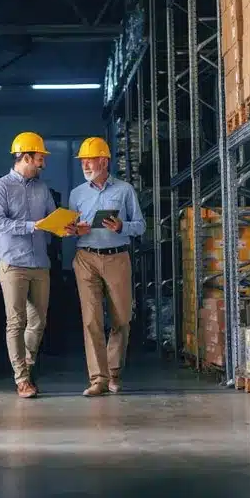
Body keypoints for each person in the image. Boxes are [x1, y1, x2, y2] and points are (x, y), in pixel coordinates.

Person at [65, 136, 146, 396]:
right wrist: (74, 230)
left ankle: (114, 373)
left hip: (117, 257)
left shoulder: (124, 191)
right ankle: (98, 379)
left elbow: (141, 225)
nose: (86, 165)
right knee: (91, 320)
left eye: (90, 160)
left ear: (104, 161)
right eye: (83, 162)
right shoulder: (76, 194)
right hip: (85, 258)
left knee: (122, 318)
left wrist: (122, 226)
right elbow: (69, 228)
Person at [0, 131, 57, 398]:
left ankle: (26, 365)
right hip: (13, 263)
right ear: (26, 157)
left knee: (38, 322)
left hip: (40, 261)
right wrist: (31, 226)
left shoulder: (43, 188)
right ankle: (21, 379)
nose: (43, 164)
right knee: (15, 321)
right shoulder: (0, 188)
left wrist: (69, 226)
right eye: (40, 158)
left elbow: (51, 218)